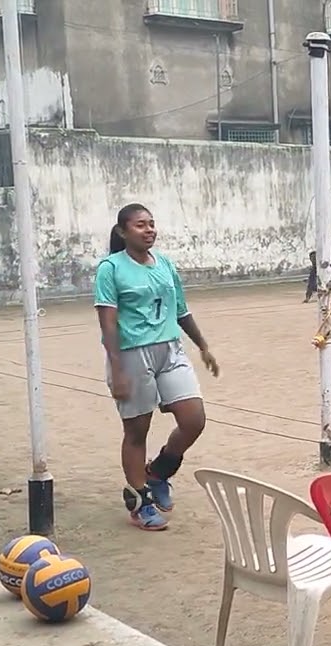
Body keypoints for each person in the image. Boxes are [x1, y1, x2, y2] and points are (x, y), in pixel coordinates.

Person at [94, 203, 220, 531]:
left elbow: (180, 310)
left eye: (151, 224)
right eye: (140, 225)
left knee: (194, 419)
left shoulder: (164, 264)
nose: (149, 230)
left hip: (170, 350)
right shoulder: (111, 269)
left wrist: (203, 345)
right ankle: (139, 501)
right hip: (132, 354)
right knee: (137, 431)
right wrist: (118, 369)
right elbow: (108, 324)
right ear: (123, 232)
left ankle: (159, 472)